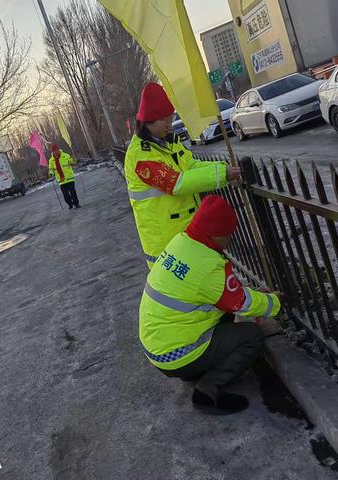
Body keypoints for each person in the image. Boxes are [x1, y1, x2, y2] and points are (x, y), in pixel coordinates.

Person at [139, 195, 283, 415]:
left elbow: (221, 295)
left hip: (157, 347)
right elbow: (241, 302)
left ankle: (194, 369)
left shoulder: (181, 242)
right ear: (217, 234)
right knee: (252, 336)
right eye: (229, 236)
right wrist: (275, 302)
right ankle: (207, 391)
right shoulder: (207, 266)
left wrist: (248, 295)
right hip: (177, 353)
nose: (229, 241)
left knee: (224, 314)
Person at [125, 82, 242, 268]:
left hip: (186, 231)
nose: (169, 124)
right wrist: (220, 175)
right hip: (165, 244)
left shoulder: (168, 141)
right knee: (185, 292)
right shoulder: (140, 155)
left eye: (170, 118)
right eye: (163, 120)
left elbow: (191, 165)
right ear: (148, 121)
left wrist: (222, 168)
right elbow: (176, 183)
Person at [49, 143, 80, 209]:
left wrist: (73, 160)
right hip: (61, 180)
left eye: (56, 150)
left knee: (73, 192)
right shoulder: (51, 160)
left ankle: (76, 204)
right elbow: (51, 169)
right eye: (54, 151)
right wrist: (51, 173)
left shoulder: (66, 155)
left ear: (58, 149)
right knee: (65, 195)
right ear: (52, 152)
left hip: (69, 177)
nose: (55, 152)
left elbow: (72, 163)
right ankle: (70, 204)